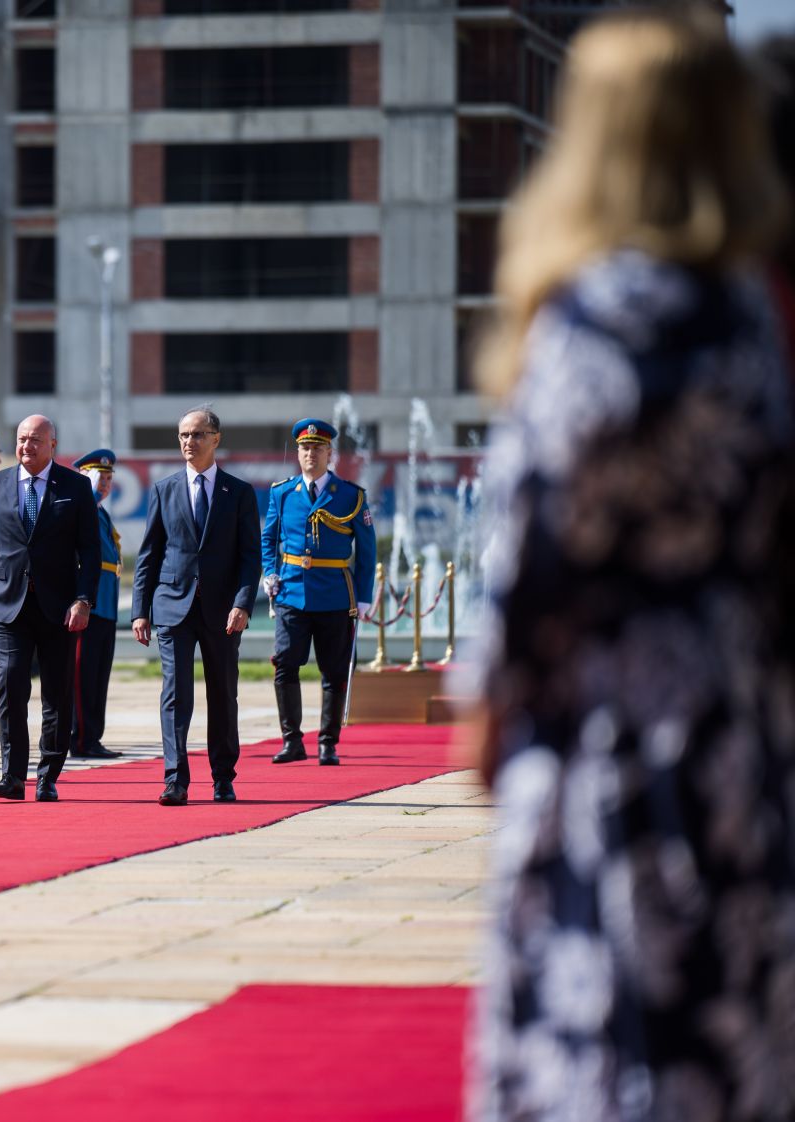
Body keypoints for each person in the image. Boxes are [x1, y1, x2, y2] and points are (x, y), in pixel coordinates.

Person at [466, 9, 795, 1118]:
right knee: (720, 1012)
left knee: (598, 1015)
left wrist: (487, 703)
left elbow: (529, 547)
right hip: (730, 718)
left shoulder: (587, 317)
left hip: (602, 725)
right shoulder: (746, 316)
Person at [0, 414, 100, 802]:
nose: (27, 447)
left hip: (60, 610)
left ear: (52, 445)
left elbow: (89, 551)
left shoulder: (75, 487)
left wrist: (83, 599)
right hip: (9, 607)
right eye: (22, 439)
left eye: (35, 440)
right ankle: (12, 776)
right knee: (11, 688)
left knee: (57, 694)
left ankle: (48, 776)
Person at [131, 411, 260, 804]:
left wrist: (242, 604)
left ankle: (223, 776)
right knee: (175, 694)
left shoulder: (238, 492)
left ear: (216, 438)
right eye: (183, 435)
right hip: (172, 606)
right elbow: (149, 555)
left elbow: (250, 557)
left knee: (222, 694)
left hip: (223, 612)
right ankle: (176, 779)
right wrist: (141, 610)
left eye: (198, 434)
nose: (189, 442)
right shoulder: (164, 490)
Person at [259, 418, 375, 767]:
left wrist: (365, 596)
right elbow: (268, 538)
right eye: (305, 448)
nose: (311, 454)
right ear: (298, 452)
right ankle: (292, 740)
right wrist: (269, 572)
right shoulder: (282, 492)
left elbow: (366, 552)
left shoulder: (351, 495)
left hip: (335, 595)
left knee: (334, 671)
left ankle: (328, 742)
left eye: (317, 448)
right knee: (285, 666)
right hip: (292, 591)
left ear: (330, 453)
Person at [67, 449, 125, 762]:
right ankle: (80, 736)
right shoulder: (83, 506)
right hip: (88, 604)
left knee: (98, 675)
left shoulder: (100, 512)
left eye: (108, 478)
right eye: (98, 477)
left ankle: (93, 736)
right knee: (82, 675)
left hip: (106, 604)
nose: (104, 483)